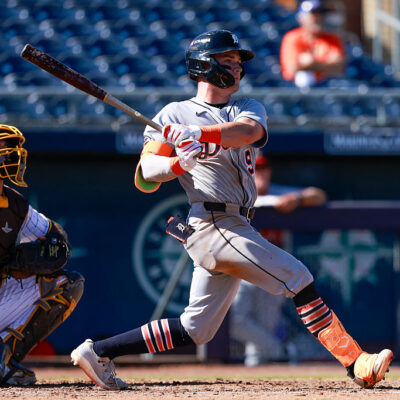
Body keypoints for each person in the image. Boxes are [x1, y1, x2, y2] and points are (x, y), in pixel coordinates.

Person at [70, 30, 392, 390]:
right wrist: (179, 163)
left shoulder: (248, 107)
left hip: (237, 222)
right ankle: (356, 361)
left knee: (197, 329)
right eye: (228, 62)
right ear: (204, 66)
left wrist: (200, 134)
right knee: (297, 276)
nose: (237, 69)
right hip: (212, 222)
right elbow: (145, 176)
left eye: (239, 63)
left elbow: (247, 131)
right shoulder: (171, 114)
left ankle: (97, 351)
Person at [0, 125, 84, 386]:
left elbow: (56, 236)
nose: (11, 158)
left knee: (67, 284)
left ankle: (3, 361)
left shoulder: (13, 204)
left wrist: (20, 260)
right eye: (4, 153)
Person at [230, 154, 327, 366]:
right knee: (234, 321)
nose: (261, 172)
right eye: (256, 168)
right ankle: (280, 350)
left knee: (263, 329)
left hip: (273, 271)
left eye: (264, 168)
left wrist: (297, 200)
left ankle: (254, 383)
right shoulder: (236, 193)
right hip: (243, 269)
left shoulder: (278, 193)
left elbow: (319, 196)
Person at [280, 0, 346, 88]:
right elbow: (292, 68)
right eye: (313, 13)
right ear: (301, 18)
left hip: (326, 87)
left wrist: (312, 63)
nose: (318, 17)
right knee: (303, 77)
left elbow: (339, 67)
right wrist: (325, 64)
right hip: (295, 90)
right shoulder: (292, 38)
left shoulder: (332, 39)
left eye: (321, 13)